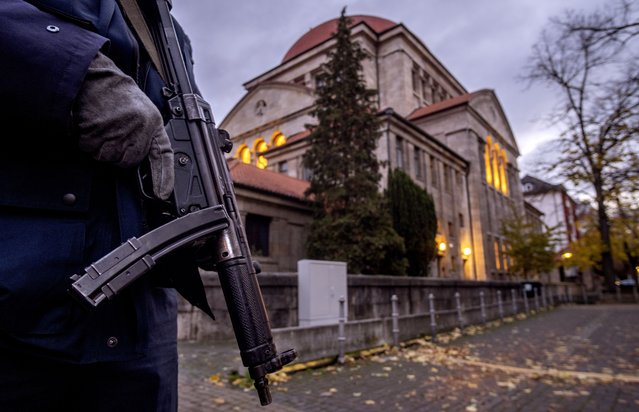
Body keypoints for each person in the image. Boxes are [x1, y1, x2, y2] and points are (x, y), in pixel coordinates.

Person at [0, 1, 210, 410]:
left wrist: (199, 210)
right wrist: (74, 70)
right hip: (19, 304)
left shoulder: (169, 32)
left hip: (142, 325)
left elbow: (181, 132)